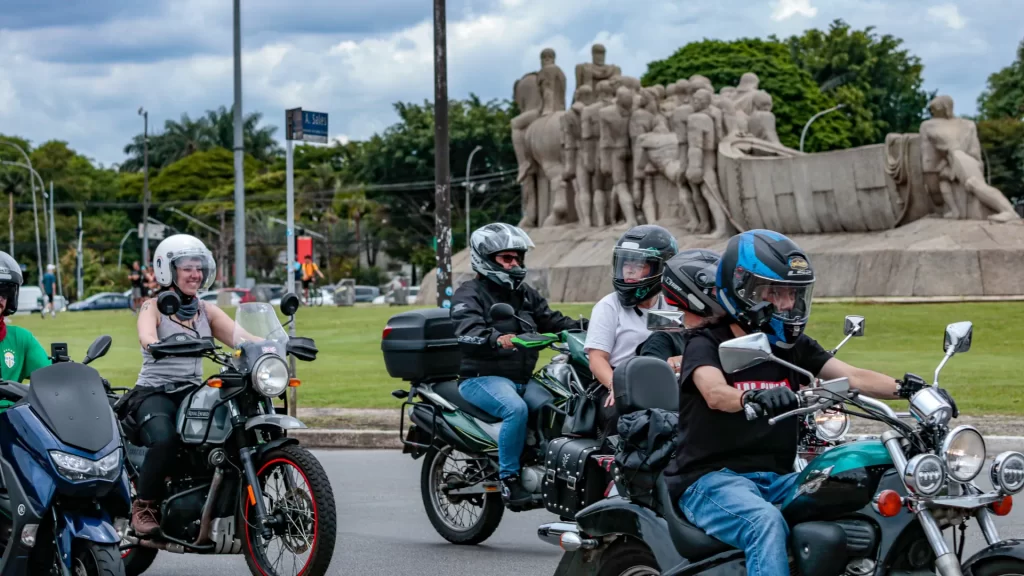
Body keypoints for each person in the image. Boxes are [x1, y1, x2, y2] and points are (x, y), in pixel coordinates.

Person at [668, 230, 913, 576]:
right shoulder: (706, 342)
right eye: (774, 293)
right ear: (742, 291)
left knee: (853, 491)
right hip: (710, 480)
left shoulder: (793, 349)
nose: (786, 305)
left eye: (792, 294)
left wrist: (910, 390)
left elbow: (853, 376)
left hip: (777, 477)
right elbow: (714, 393)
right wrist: (752, 397)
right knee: (763, 523)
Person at [451, 223, 588, 506]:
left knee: (566, 400)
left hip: (523, 378)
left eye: (517, 258)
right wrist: (500, 339)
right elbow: (467, 330)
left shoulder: (524, 293)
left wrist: (588, 326)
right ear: (485, 259)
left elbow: (552, 320)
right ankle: (509, 480)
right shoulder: (469, 293)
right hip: (481, 378)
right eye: (506, 258)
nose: (514, 264)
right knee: (515, 408)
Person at [125, 234, 245, 536]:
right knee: (165, 439)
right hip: (155, 392)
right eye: (188, 267)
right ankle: (144, 505)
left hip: (192, 393)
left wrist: (275, 345)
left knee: (230, 430)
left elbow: (242, 338)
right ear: (168, 270)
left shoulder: (206, 310)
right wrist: (156, 344)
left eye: (199, 267)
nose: (196, 274)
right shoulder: (151, 306)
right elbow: (146, 335)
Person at [583, 225, 677, 436]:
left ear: (661, 268)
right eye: (626, 262)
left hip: (662, 383)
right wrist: (617, 386)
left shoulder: (669, 306)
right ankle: (614, 464)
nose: (630, 269)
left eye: (639, 263)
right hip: (617, 381)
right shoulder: (609, 306)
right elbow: (597, 358)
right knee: (621, 417)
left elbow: (679, 344)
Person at [636, 249, 725, 372]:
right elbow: (649, 380)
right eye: (716, 289)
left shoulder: (723, 329)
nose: (722, 294)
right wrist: (682, 365)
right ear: (691, 289)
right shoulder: (662, 339)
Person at [0, 252, 51, 387]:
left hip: (12, 408)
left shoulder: (21, 338)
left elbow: (49, 378)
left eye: (4, 292)